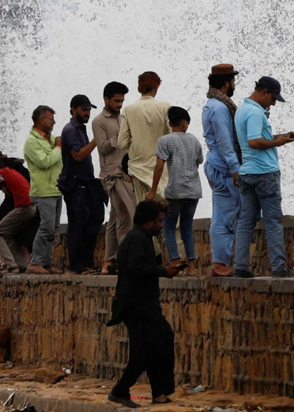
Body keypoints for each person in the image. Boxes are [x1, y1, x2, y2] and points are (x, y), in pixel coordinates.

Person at [105, 199, 184, 408]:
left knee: (163, 340)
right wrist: (163, 272)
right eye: (159, 220)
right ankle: (120, 390)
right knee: (141, 354)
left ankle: (160, 392)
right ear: (148, 221)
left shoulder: (143, 238)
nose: (161, 225)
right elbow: (136, 266)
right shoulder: (137, 239)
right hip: (136, 307)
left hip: (145, 305)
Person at [233, 76, 294, 279]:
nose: (274, 103)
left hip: (247, 173)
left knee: (245, 221)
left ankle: (240, 266)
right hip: (264, 174)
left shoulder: (242, 109)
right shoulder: (254, 113)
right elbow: (254, 142)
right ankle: (279, 267)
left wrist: (280, 137)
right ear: (264, 92)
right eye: (273, 99)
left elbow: (255, 139)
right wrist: (278, 144)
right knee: (272, 221)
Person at [149, 106, 204, 267]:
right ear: (184, 123)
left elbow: (159, 165)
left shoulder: (165, 140)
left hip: (175, 191)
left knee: (169, 227)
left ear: (169, 122)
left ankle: (174, 262)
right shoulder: (194, 140)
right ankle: (192, 266)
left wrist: (153, 190)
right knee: (187, 228)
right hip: (193, 191)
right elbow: (198, 162)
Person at [202, 63, 243, 277]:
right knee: (224, 217)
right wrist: (235, 169)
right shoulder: (219, 108)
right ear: (226, 83)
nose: (234, 84)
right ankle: (220, 263)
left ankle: (223, 261)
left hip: (220, 166)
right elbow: (225, 143)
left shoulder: (213, 104)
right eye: (233, 80)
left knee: (225, 214)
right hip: (224, 169)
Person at [59, 94, 106, 275]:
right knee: (77, 225)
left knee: (95, 219)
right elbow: (78, 155)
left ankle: (87, 262)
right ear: (73, 109)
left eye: (88, 110)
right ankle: (76, 265)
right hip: (75, 185)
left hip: (87, 185)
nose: (87, 113)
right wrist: (97, 140)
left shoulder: (81, 129)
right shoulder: (70, 130)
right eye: (84, 109)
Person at [93, 81, 135, 275]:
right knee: (127, 215)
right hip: (112, 174)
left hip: (125, 172)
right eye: (117, 101)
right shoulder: (99, 121)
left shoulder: (124, 117)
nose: (120, 104)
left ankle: (109, 261)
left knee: (116, 218)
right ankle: (126, 260)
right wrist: (120, 137)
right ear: (106, 99)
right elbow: (101, 147)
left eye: (122, 101)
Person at [118, 71, 172, 206]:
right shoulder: (165, 107)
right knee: (166, 213)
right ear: (157, 87)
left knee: (145, 213)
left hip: (138, 169)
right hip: (162, 171)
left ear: (138, 88)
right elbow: (173, 137)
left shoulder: (128, 110)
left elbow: (121, 142)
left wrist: (136, 142)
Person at [23, 105, 63, 275]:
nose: (53, 121)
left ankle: (45, 263)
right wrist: (59, 148)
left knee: (53, 228)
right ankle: (36, 262)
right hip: (43, 191)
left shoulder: (50, 139)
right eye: (51, 118)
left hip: (55, 189)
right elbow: (45, 161)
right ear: (41, 120)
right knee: (46, 226)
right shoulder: (32, 142)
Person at [0, 157, 37, 273]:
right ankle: (22, 265)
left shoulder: (1, 173)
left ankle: (11, 265)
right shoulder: (10, 171)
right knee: (7, 235)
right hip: (31, 207)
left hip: (24, 207)